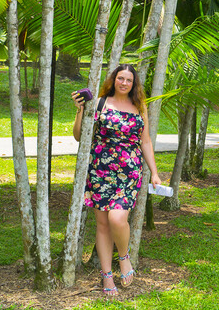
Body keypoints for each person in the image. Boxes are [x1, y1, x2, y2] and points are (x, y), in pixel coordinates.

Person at [72, 64, 162, 296]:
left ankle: (124, 258)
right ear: (113, 80)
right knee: (102, 225)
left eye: (128, 80)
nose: (124, 83)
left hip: (129, 171)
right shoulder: (100, 103)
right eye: (120, 78)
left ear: (134, 84)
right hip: (100, 170)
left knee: (117, 218)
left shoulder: (139, 106)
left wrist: (154, 171)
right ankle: (107, 277)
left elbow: (146, 142)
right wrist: (80, 111)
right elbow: (80, 136)